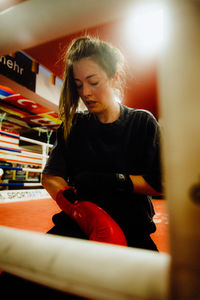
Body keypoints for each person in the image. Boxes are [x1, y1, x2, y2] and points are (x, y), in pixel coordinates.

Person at [41, 36, 163, 251]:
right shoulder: (73, 125)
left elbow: (160, 182)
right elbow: (51, 177)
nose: (85, 93)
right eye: (78, 85)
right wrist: (85, 214)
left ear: (114, 78)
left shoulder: (142, 122)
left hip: (133, 230)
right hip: (77, 226)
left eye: (93, 82)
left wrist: (114, 181)